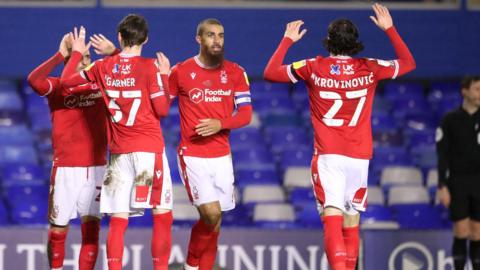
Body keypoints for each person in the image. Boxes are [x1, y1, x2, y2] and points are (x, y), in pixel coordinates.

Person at [263, 3, 416, 270]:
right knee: (352, 222)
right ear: (355, 43)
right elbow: (409, 63)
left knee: (332, 219)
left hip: (329, 156)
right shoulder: (370, 67)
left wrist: (287, 40)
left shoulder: (313, 66)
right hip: (359, 156)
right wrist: (390, 29)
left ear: (328, 41)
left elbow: (270, 72)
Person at [60, 14, 173, 270]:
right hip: (148, 152)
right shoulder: (149, 67)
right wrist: (164, 76)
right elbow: (163, 108)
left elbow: (66, 82)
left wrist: (77, 54)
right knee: (161, 215)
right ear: (146, 39)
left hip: (119, 156)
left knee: (119, 222)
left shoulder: (101, 67)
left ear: (120, 37)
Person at [168, 18, 253, 270]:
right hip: (192, 154)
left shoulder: (236, 72)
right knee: (212, 214)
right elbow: (160, 105)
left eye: (221, 35)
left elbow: (246, 115)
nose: (217, 40)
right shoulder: (180, 71)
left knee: (215, 222)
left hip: (222, 156)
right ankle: (191, 265)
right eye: (211, 35)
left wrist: (220, 123)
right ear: (199, 39)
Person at [27, 33, 111, 270]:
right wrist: (62, 55)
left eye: (86, 57)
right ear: (69, 61)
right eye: (79, 57)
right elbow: (33, 80)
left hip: (96, 166)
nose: (84, 62)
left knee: (92, 230)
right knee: (57, 229)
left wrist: (111, 52)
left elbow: (128, 72)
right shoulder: (58, 86)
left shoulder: (99, 83)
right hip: (66, 168)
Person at [436, 76, 480, 270]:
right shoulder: (450, 120)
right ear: (465, 91)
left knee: (478, 232)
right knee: (461, 231)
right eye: (477, 89)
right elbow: (442, 155)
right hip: (458, 182)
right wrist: (442, 185)